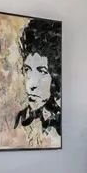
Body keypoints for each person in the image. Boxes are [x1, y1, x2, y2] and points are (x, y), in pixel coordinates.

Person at [7, 16, 62, 149]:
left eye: (42, 71)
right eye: (27, 70)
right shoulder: (20, 118)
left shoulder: (62, 124)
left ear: (55, 77)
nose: (31, 84)